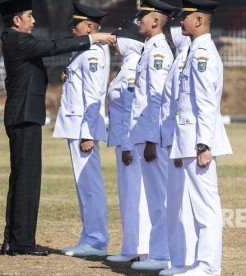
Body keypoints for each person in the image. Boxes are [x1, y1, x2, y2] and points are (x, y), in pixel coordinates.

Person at [0, 0, 115, 256]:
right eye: (29, 15)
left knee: (20, 180)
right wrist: (92, 39)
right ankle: (23, 242)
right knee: (26, 180)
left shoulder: (12, 38)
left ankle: (13, 239)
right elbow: (52, 46)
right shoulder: (17, 40)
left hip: (23, 116)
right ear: (17, 20)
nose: (34, 20)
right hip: (24, 117)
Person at [169, 0, 232, 275]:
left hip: (197, 140)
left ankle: (208, 267)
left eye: (185, 17)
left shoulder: (203, 53)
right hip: (189, 138)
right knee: (194, 205)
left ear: (198, 21)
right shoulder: (195, 50)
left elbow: (206, 103)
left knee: (205, 206)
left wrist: (204, 145)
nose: (180, 21)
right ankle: (197, 264)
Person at [52, 0, 110, 257]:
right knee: (83, 185)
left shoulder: (94, 53)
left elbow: (94, 95)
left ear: (88, 26)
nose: (72, 30)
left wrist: (88, 133)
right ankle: (89, 237)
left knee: (90, 185)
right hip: (76, 126)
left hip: (82, 129)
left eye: (75, 25)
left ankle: (96, 240)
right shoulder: (84, 51)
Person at [122, 0, 176, 271]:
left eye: (142, 16)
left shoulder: (158, 53)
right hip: (144, 133)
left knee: (159, 200)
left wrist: (152, 139)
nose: (137, 21)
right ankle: (158, 252)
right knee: (155, 199)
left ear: (155, 21)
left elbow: (156, 99)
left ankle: (162, 254)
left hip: (151, 136)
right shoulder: (150, 49)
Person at [105, 20, 152, 263]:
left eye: (118, 39)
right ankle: (131, 245)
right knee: (128, 197)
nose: (114, 44)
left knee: (137, 196)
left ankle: (141, 247)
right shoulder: (126, 67)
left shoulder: (133, 69)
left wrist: (126, 145)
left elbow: (132, 112)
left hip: (130, 146)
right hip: (126, 144)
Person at [158, 11, 195, 276]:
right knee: (175, 203)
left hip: (181, 140)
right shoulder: (179, 59)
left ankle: (186, 261)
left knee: (184, 204)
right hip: (174, 140)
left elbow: (182, 106)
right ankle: (179, 260)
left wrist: (179, 143)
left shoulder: (186, 59)